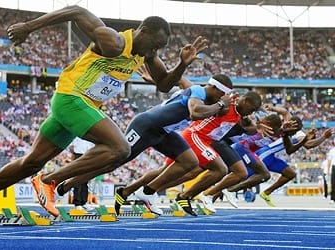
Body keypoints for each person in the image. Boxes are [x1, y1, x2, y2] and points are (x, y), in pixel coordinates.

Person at [0, 5, 208, 224]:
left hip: (83, 107)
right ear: (144, 31)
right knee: (119, 148)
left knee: (30, 163)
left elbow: (163, 84)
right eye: (155, 45)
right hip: (70, 98)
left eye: (160, 49)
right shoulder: (114, 41)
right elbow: (76, 10)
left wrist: (182, 64)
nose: (155, 52)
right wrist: (29, 27)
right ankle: (49, 180)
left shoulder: (145, 57)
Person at [55, 70, 233, 214]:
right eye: (223, 96)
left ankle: (148, 192)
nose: (222, 101)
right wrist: (219, 105)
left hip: (163, 132)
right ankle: (66, 184)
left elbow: (179, 79)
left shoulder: (197, 90)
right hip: (146, 126)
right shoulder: (199, 92)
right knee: (111, 163)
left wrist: (155, 79)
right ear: (217, 90)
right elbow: (195, 113)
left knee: (190, 161)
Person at [117, 91, 263, 215]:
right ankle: (170, 194)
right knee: (220, 169)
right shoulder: (227, 104)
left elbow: (247, 126)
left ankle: (127, 191)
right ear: (245, 100)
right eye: (252, 108)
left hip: (206, 141)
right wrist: (221, 102)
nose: (252, 112)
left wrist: (260, 126)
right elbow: (204, 97)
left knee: (170, 171)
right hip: (196, 136)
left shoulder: (241, 114)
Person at [227, 106, 334, 207]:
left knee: (290, 173)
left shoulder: (290, 125)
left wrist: (273, 108)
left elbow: (285, 112)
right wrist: (323, 137)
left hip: (270, 156)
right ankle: (225, 190)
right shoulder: (298, 133)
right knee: (242, 175)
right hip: (264, 154)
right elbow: (309, 145)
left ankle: (266, 192)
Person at [69, 137, 95, 212]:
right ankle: (77, 203)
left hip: (88, 155)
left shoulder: (91, 135)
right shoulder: (77, 134)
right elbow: (71, 147)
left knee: (85, 180)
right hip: (78, 155)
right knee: (77, 180)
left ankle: (84, 202)